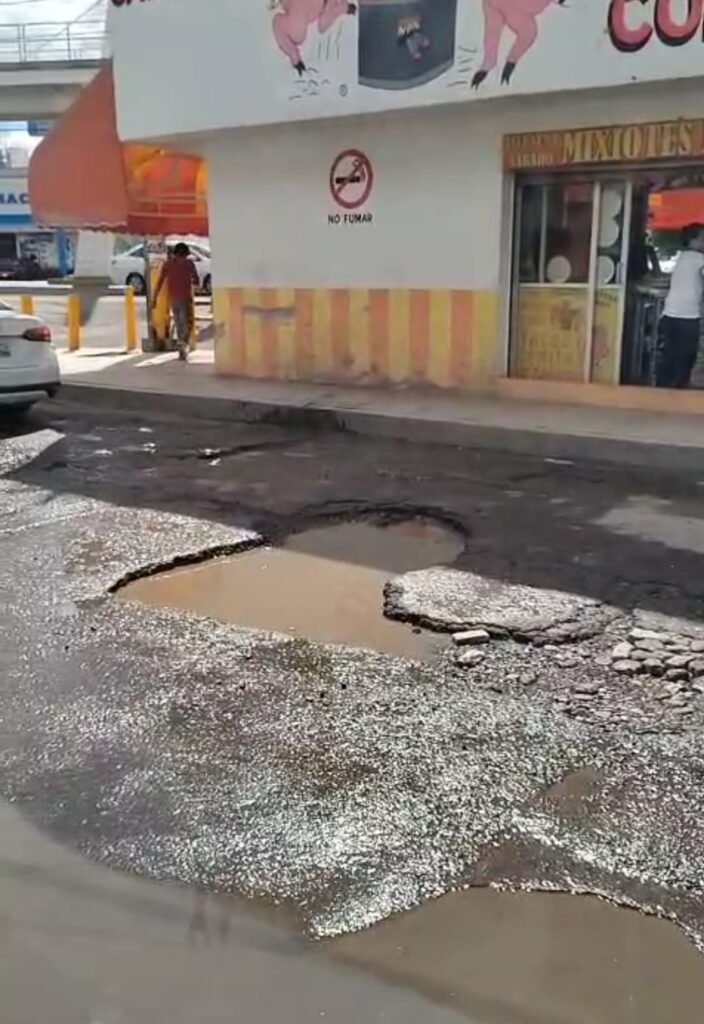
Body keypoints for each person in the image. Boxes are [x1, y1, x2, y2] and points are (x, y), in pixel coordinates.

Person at [657, 223, 704, 388]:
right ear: (694, 240)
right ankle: (679, 391)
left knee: (670, 355)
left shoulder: (682, 257)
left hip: (670, 313)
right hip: (688, 316)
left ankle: (661, 389)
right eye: (702, 238)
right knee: (686, 357)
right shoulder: (699, 259)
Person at [153, 242, 199, 361]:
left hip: (173, 298)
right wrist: (193, 282)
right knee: (188, 323)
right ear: (185, 254)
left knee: (179, 324)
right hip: (186, 298)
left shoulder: (168, 264)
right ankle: (183, 345)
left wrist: (154, 298)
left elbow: (160, 281)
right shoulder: (189, 263)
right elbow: (196, 279)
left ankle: (181, 348)